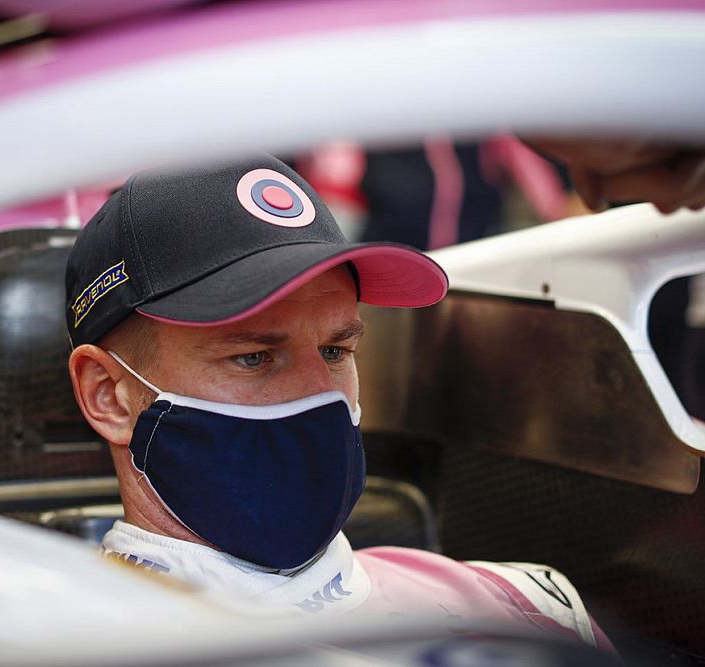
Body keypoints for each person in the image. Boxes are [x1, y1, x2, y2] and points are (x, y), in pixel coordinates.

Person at [64, 153, 614, 650]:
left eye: (334, 349)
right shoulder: (46, 644)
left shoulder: (523, 604)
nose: (322, 394)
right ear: (108, 395)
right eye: (255, 356)